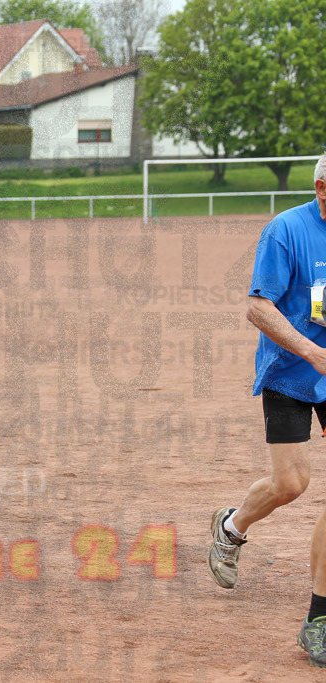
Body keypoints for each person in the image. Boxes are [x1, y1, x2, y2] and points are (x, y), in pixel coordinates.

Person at [208, 153, 326, 667]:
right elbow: (258, 307)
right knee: (291, 485)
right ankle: (232, 527)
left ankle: (318, 618)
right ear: (321, 188)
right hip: (292, 374)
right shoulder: (286, 231)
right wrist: (314, 352)